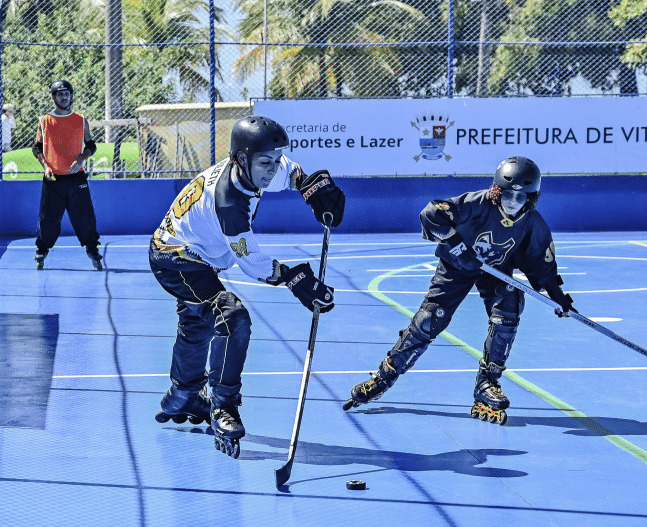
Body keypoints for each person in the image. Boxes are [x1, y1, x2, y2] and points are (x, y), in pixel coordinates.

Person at [149, 115, 345, 458]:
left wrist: (309, 186)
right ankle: (223, 406)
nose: (272, 170)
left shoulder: (255, 164)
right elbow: (251, 263)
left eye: (275, 161)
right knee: (232, 315)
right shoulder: (230, 204)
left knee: (197, 320)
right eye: (265, 163)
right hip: (174, 256)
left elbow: (291, 171)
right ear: (241, 160)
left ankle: (182, 396)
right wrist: (293, 278)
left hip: (196, 252)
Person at [343, 156, 576, 425]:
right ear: (496, 190)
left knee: (510, 304)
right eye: (508, 195)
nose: (513, 203)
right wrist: (456, 246)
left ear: (532, 198)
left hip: (496, 272)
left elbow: (542, 262)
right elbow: (431, 214)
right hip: (456, 267)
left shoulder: (533, 223)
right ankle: (384, 377)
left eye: (521, 197)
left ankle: (487, 383)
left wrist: (558, 296)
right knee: (430, 320)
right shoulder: (476, 203)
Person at [32, 80, 102, 270]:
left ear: (71, 96)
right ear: (54, 97)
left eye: (67, 94)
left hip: (76, 177)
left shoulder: (80, 120)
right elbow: (37, 148)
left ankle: (92, 249)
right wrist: (45, 166)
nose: (64, 97)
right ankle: (42, 250)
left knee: (85, 216)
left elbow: (91, 146)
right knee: (48, 218)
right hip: (53, 179)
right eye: (60, 94)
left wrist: (81, 158)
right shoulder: (44, 121)